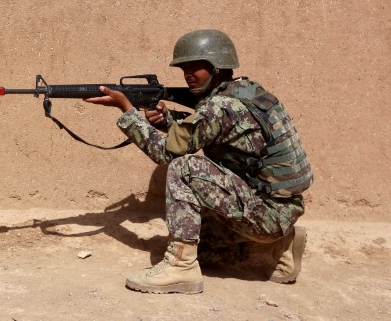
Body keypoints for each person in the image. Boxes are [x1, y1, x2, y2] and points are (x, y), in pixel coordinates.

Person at [85, 29, 312, 294]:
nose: (188, 75)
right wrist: (168, 121)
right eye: (184, 68)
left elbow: (165, 153)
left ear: (217, 67)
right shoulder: (247, 92)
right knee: (205, 253)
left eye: (196, 67)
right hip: (277, 208)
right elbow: (214, 133)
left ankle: (181, 269)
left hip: (266, 212)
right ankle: (280, 244)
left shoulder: (220, 107)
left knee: (184, 167)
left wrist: (127, 111)